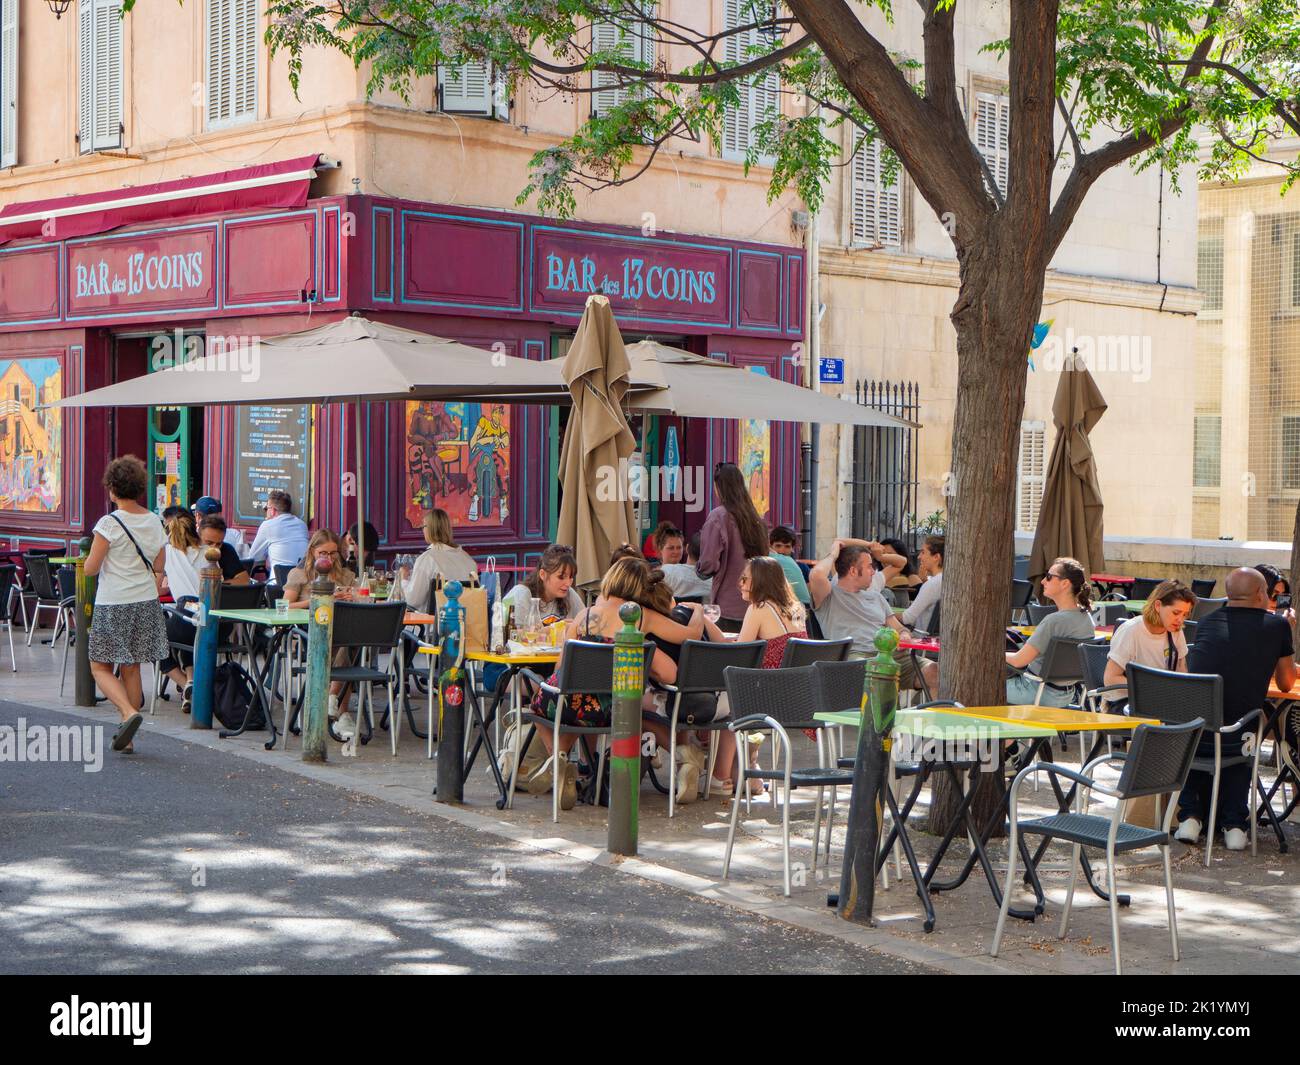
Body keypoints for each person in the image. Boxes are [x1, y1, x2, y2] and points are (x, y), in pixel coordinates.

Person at [1174, 568, 1297, 851]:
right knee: (1245, 726)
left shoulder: (1205, 622)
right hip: (1238, 736)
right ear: (1259, 594)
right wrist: (1286, 631)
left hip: (1192, 731)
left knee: (1218, 725)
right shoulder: (1276, 626)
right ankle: (1235, 824)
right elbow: (1287, 683)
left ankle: (1190, 817)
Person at [83, 456, 169, 754]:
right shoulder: (156, 520)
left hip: (114, 602)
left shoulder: (109, 523)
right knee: (131, 667)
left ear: (112, 489)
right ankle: (128, 735)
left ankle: (128, 714)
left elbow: (91, 569)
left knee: (99, 666)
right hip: (145, 601)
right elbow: (159, 563)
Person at [808, 540, 923, 689]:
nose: (874, 571)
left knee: (934, 672)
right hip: (857, 657)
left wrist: (904, 635)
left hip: (890, 655)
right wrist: (833, 554)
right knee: (877, 677)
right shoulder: (830, 595)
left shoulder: (877, 597)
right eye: (870, 566)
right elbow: (816, 575)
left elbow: (899, 628)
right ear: (853, 571)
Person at [282, 529, 361, 738]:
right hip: (310, 635)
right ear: (312, 551)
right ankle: (341, 712)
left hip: (342, 630)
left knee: (351, 639)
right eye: (323, 553)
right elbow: (285, 606)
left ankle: (332, 699)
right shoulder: (300, 574)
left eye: (333, 553)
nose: (329, 558)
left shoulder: (346, 575)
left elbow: (358, 599)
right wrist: (320, 598)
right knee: (349, 644)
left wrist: (350, 597)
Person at [1005, 557, 1097, 706]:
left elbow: (1018, 660)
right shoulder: (1087, 618)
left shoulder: (1053, 621)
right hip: (1066, 695)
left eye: (1048, 577)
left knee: (980, 684)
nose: (1042, 582)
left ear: (1065, 583)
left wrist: (992, 655)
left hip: (1034, 692)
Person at [697, 462, 769, 631]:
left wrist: (700, 571)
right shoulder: (755, 518)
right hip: (756, 603)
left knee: (726, 656)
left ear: (718, 487)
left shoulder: (718, 517)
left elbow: (708, 563)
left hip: (726, 605)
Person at [1103, 579, 1194, 704]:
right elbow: (1110, 678)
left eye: (1185, 615)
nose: (1180, 620)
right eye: (1176, 612)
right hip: (1126, 701)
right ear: (1158, 606)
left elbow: (1181, 671)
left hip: (1159, 700)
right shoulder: (1131, 630)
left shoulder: (1175, 630)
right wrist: (1151, 688)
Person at [405, 508, 480, 614]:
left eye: (423, 526)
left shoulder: (428, 559)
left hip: (435, 627)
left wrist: (403, 580)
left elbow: (412, 601)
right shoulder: (468, 559)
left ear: (430, 529)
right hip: (467, 625)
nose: (422, 530)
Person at [503, 544, 583, 626]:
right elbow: (515, 635)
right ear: (543, 574)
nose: (568, 583)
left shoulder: (568, 593)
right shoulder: (521, 594)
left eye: (571, 577)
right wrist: (553, 628)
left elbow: (585, 620)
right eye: (561, 577)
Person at [248, 490, 310, 582]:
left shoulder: (268, 525)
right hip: (304, 582)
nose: (266, 512)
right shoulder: (302, 525)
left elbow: (253, 557)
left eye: (266, 509)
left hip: (279, 585)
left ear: (272, 510)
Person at [197, 517, 252, 585]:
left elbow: (244, 579)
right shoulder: (188, 550)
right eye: (209, 543)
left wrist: (218, 585)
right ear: (198, 536)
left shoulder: (226, 549)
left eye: (218, 544)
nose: (214, 547)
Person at [766, 526, 812, 606]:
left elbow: (809, 593)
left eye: (787, 546)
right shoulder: (765, 566)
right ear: (771, 546)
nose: (782, 551)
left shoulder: (802, 567)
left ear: (792, 548)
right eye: (778, 546)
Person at [661, 532, 713, 600]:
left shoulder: (666, 572)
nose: (676, 552)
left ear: (687, 548)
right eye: (671, 548)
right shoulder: (715, 583)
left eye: (679, 547)